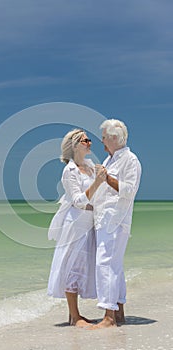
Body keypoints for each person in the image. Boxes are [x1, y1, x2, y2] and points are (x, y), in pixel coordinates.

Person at [47, 128, 107, 328]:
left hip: (92, 222)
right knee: (71, 266)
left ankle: (77, 315)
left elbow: (98, 196)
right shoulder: (69, 171)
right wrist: (98, 183)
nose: (90, 143)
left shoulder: (90, 166)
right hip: (76, 224)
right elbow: (78, 200)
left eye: (89, 140)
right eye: (85, 140)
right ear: (74, 146)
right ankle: (74, 316)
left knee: (84, 265)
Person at [91, 119, 142, 329]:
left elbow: (129, 190)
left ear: (113, 138)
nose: (101, 141)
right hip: (104, 220)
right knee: (115, 266)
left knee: (105, 264)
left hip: (116, 220)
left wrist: (106, 178)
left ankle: (108, 317)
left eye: (103, 137)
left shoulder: (130, 160)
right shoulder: (110, 159)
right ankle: (118, 312)